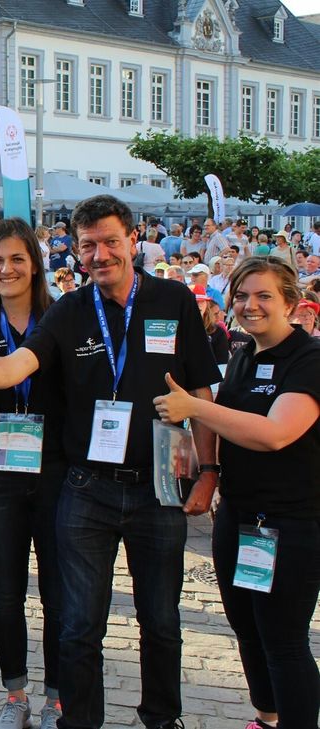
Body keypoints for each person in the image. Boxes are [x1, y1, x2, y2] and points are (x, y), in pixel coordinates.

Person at [0, 194, 221, 729]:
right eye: (88, 245)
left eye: (110, 242)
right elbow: (21, 362)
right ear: (75, 249)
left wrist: (209, 472)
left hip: (158, 485)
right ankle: (79, 720)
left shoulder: (173, 301)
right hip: (86, 489)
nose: (100, 255)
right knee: (79, 625)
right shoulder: (70, 312)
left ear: (133, 241)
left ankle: (162, 717)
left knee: (161, 620)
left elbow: (202, 391)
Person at [152, 256, 320, 729]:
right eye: (243, 295)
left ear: (291, 303)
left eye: (264, 295)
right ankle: (265, 718)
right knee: (247, 628)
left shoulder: (309, 359)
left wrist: (195, 408)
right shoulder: (246, 353)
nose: (251, 305)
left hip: (290, 523)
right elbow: (229, 428)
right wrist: (206, 469)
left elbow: (275, 433)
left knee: (284, 639)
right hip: (239, 514)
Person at [0, 218, 65, 729]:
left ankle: (56, 699)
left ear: (35, 264)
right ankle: (15, 697)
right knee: (6, 590)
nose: (6, 268)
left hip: (54, 474)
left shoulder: (61, 321)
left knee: (57, 591)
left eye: (17, 258)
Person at [192, 285, 229, 364]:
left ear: (206, 304)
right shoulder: (179, 329)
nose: (199, 304)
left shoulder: (218, 332)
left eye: (202, 301)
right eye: (195, 301)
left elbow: (222, 363)